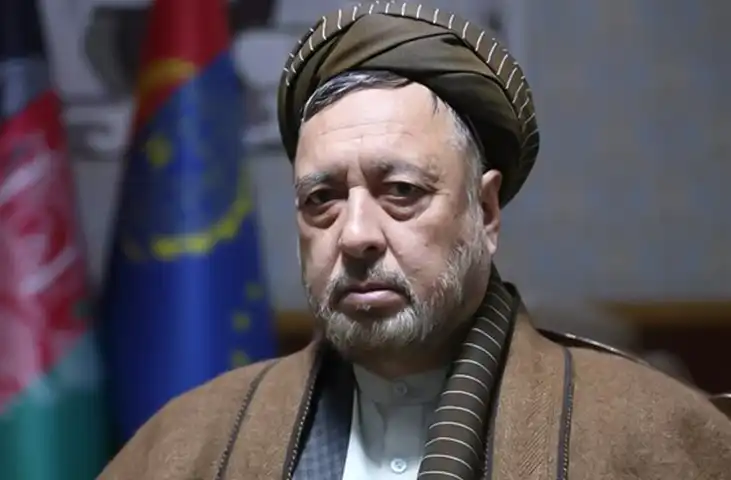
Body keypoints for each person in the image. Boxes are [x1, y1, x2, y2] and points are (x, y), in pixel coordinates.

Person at [100, 3, 731, 479]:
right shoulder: (190, 444)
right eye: (322, 200)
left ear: (485, 211)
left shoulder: (649, 435)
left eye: (401, 191)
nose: (355, 235)